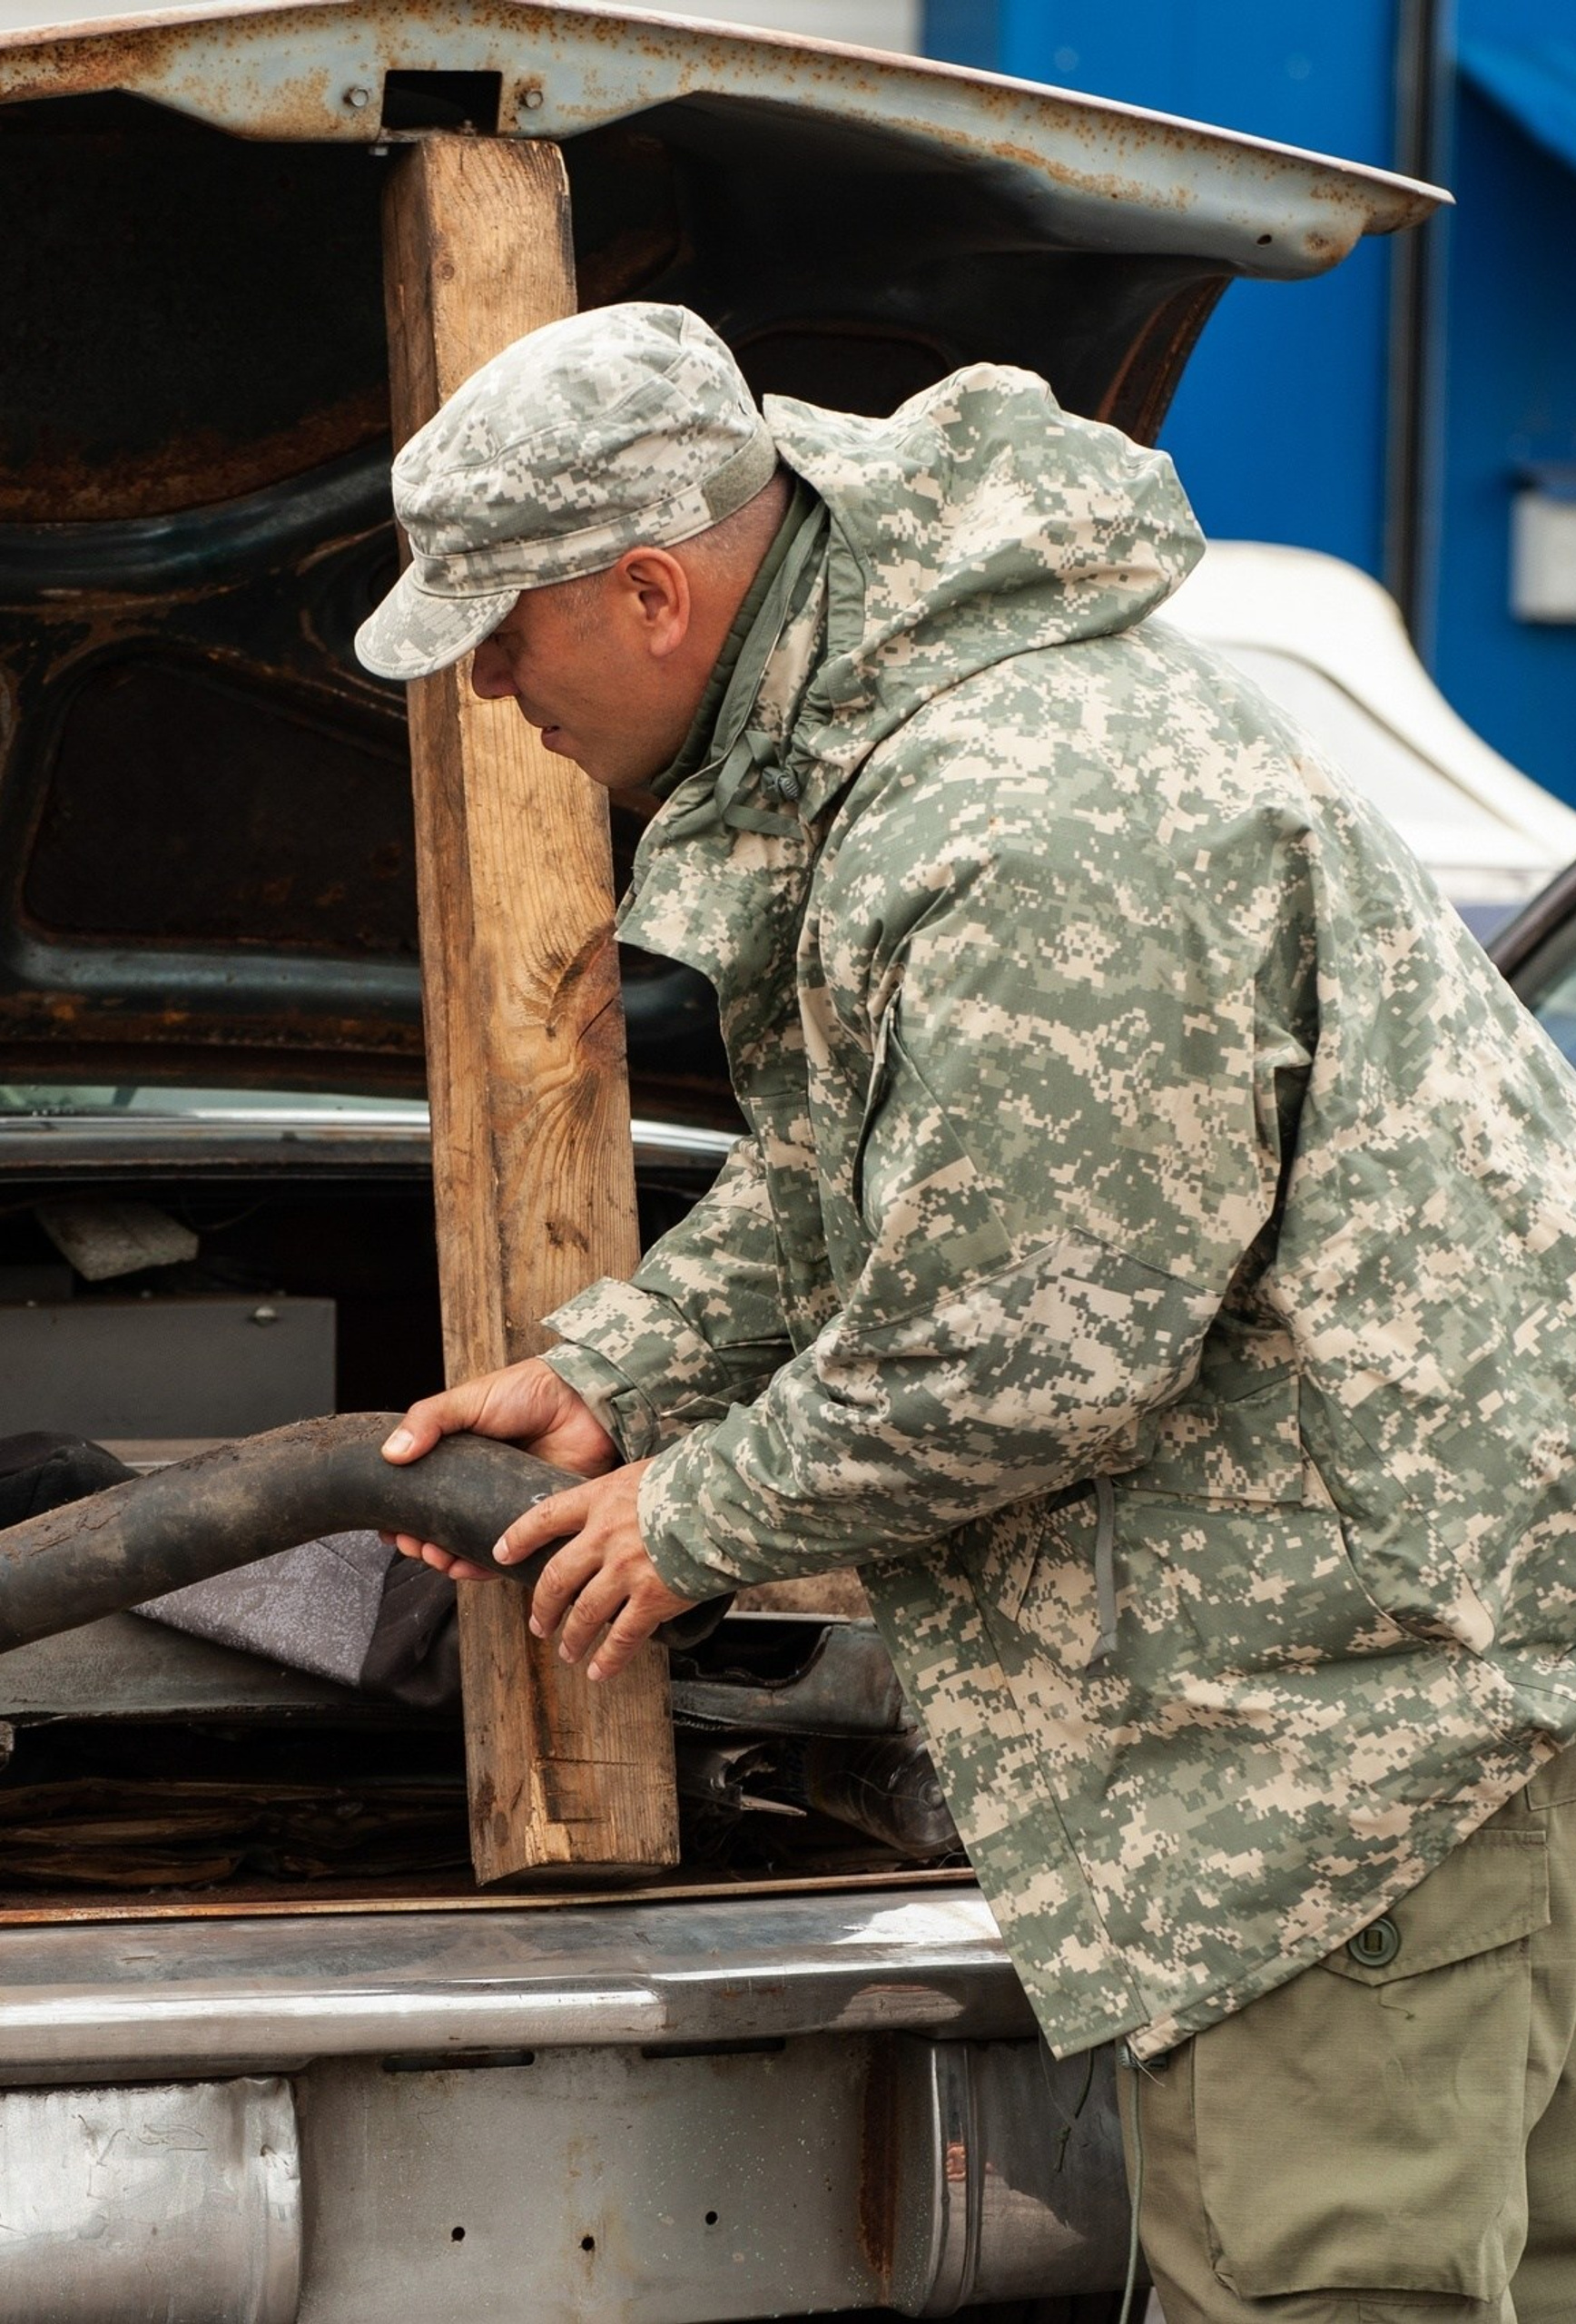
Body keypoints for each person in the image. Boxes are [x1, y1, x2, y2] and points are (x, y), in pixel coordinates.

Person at [355, 300, 1576, 2323]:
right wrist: (615, 1368)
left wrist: (685, 1514)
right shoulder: (906, 722)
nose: (485, 682)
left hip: (1345, 1723)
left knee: (1324, 2288)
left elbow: (1025, 1343)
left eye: (502, 625)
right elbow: (877, 1157)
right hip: (1414, 1649)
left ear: (653, 590)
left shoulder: (1014, 811)